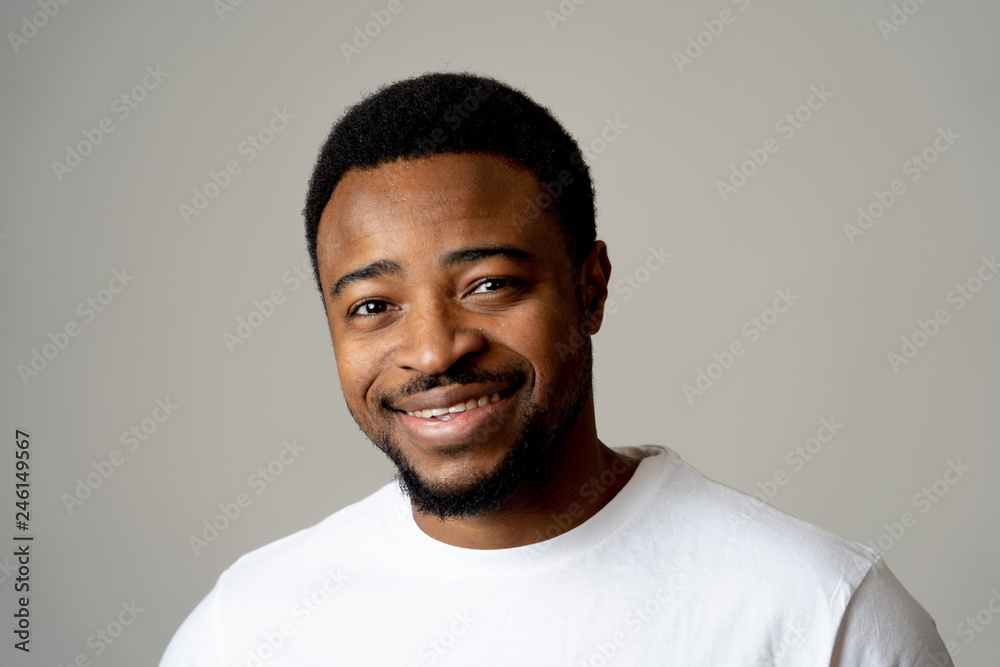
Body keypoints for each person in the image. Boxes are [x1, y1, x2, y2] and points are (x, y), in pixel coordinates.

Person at [160, 72, 953, 666]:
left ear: (591, 285)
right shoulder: (249, 627)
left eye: (489, 285)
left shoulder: (820, 617)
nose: (435, 351)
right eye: (373, 306)